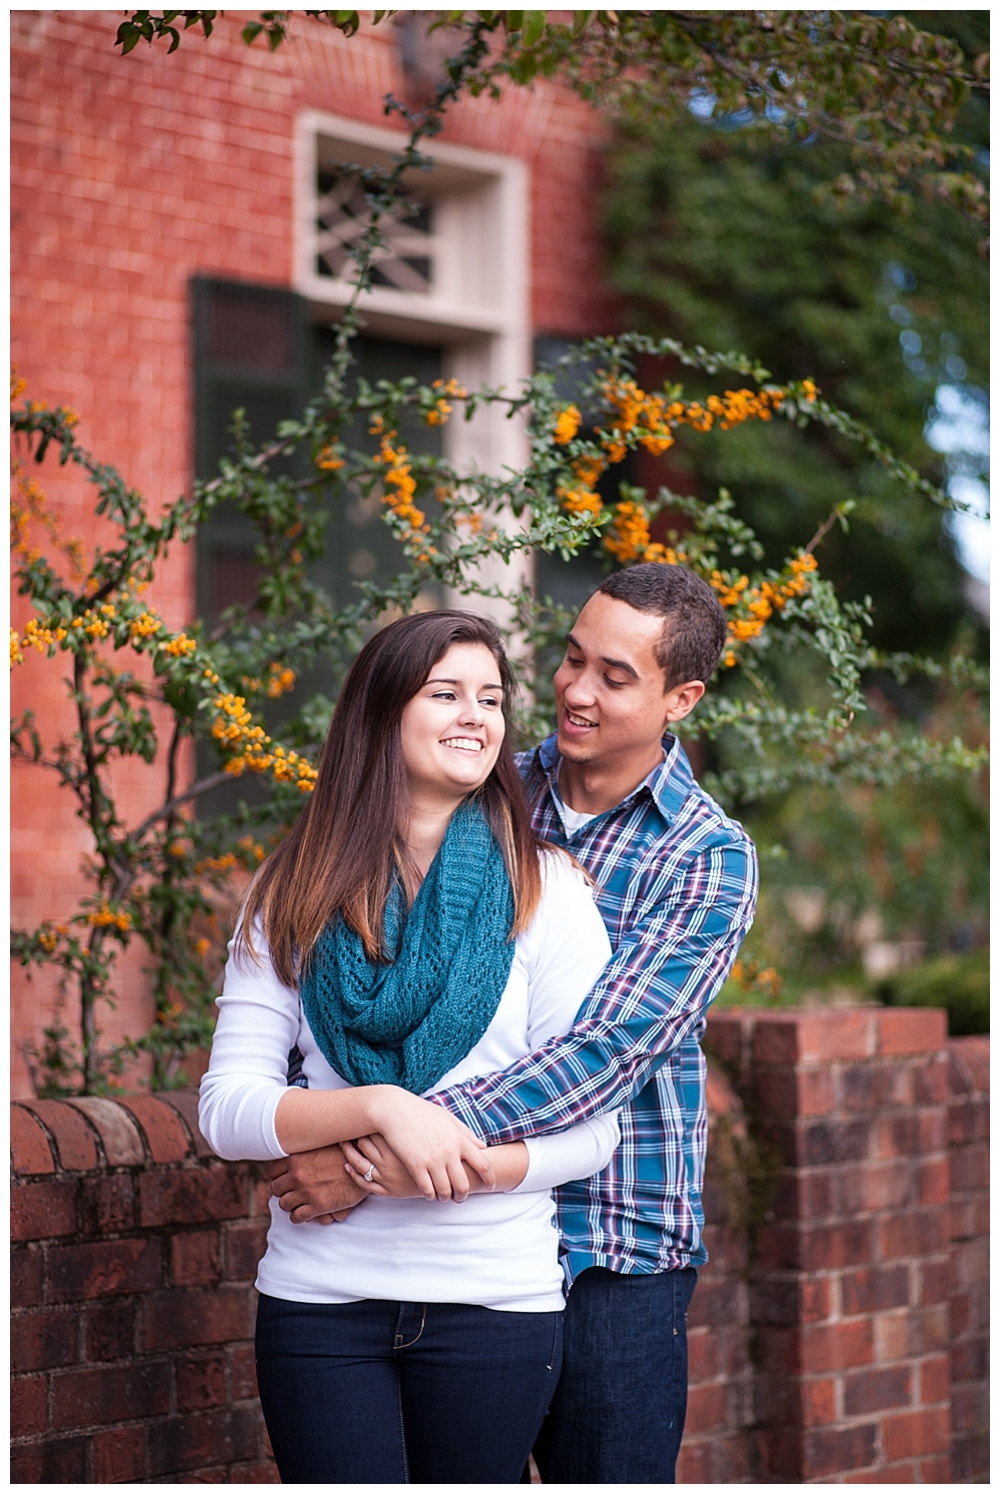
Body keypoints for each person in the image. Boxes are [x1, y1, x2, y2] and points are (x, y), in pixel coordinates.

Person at [270, 563, 759, 1483]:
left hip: (616, 1245)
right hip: (453, 1254)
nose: (575, 690)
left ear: (680, 699)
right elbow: (351, 962)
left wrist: (382, 1151)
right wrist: (354, 1120)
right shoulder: (480, 781)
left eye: (616, 677)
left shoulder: (705, 854)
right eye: (573, 658)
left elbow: (606, 1054)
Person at [199, 610, 621, 1485]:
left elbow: (592, 1133)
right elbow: (228, 1110)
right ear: (382, 713)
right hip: (320, 1303)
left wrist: (445, 1165)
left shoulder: (547, 893)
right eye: (446, 693)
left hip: (494, 1303)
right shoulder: (294, 890)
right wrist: (388, 1111)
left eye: (492, 699)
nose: (476, 715)